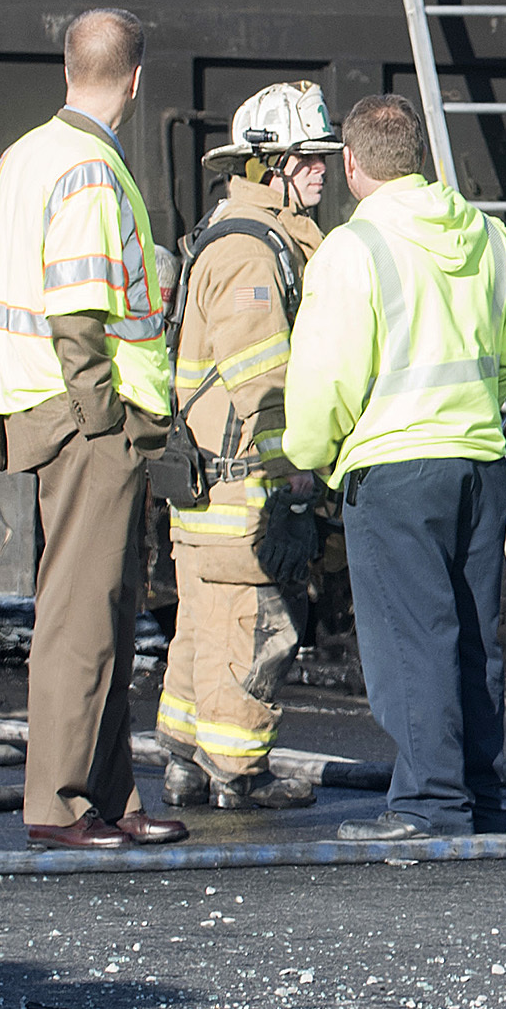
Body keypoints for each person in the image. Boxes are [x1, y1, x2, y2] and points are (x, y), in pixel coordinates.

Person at [282, 92, 506, 841]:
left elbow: (327, 376)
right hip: (480, 462)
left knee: (412, 640)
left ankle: (428, 805)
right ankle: (477, 799)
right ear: (418, 159)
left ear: (351, 165)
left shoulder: (353, 250)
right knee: (469, 636)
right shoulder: (489, 239)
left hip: (395, 468)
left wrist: (308, 457)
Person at [0, 7, 189, 851]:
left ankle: (107, 798)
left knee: (101, 609)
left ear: (71, 68)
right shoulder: (92, 170)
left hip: (39, 407)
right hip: (86, 420)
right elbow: (77, 313)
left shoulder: (25, 157)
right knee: (79, 616)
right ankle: (61, 805)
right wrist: (105, 422)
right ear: (137, 80)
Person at [157, 81, 339, 812]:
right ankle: (239, 772)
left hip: (212, 483)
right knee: (252, 626)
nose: (323, 169)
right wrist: (294, 473)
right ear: (270, 166)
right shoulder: (252, 254)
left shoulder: (236, 235)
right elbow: (263, 381)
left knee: (202, 628)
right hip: (244, 488)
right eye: (308, 158)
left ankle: (185, 761)